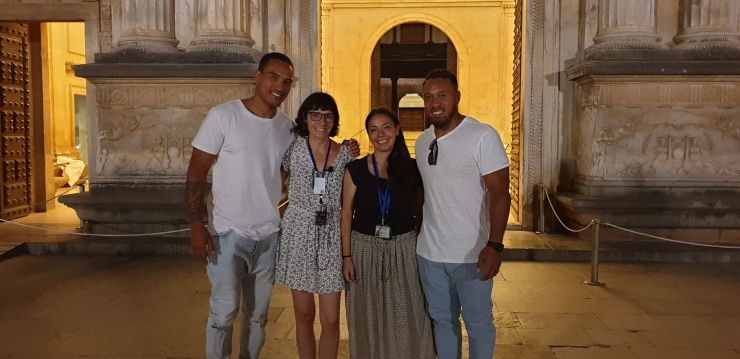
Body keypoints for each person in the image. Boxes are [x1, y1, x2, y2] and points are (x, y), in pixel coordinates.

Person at [185, 53, 358, 359]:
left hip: (269, 235)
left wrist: (344, 149)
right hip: (228, 232)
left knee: (257, 317)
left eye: (287, 81)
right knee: (224, 313)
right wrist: (197, 224)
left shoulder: (286, 129)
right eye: (274, 77)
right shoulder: (223, 116)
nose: (280, 86)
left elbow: (293, 167)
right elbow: (196, 171)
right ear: (258, 77)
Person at [415, 69, 510, 359]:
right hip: (430, 254)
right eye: (429, 97)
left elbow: (500, 194)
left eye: (442, 95)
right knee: (442, 322)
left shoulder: (481, 136)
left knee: (478, 324)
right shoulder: (422, 141)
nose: (435, 102)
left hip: (472, 254)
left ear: (457, 97)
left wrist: (494, 244)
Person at [340, 108, 435, 359]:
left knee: (409, 311)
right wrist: (347, 257)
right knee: (366, 314)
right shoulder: (355, 170)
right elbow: (345, 215)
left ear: (397, 130)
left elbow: (424, 209)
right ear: (368, 135)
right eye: (373, 129)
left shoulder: (413, 169)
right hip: (363, 249)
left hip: (405, 248)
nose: (380, 134)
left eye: (386, 127)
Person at [275, 92, 354, 359]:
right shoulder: (293, 150)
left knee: (331, 319)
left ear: (335, 121)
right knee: (304, 314)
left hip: (332, 233)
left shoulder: (345, 154)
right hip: (298, 232)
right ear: (305, 118)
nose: (322, 121)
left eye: (328, 116)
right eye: (315, 115)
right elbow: (274, 182)